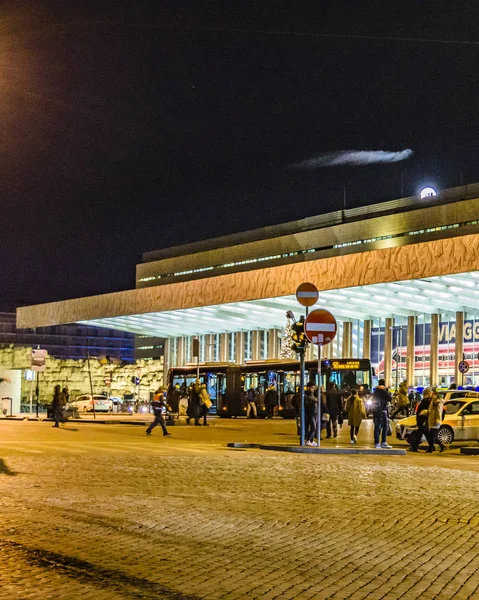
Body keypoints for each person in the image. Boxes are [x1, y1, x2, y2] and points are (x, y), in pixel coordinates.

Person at [371, 379, 392, 449]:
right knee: (384, 427)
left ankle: (377, 443)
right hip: (382, 411)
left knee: (377, 427)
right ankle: (383, 442)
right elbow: (390, 398)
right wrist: (386, 391)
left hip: (376, 411)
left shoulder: (375, 391)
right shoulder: (383, 391)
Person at [304, 382, 318, 446]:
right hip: (310, 413)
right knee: (313, 427)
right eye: (312, 388)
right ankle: (308, 440)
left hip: (314, 412)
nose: (313, 389)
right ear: (308, 387)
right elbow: (306, 403)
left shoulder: (312, 394)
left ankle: (311, 440)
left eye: (314, 388)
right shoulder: (306, 395)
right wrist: (314, 400)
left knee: (314, 427)